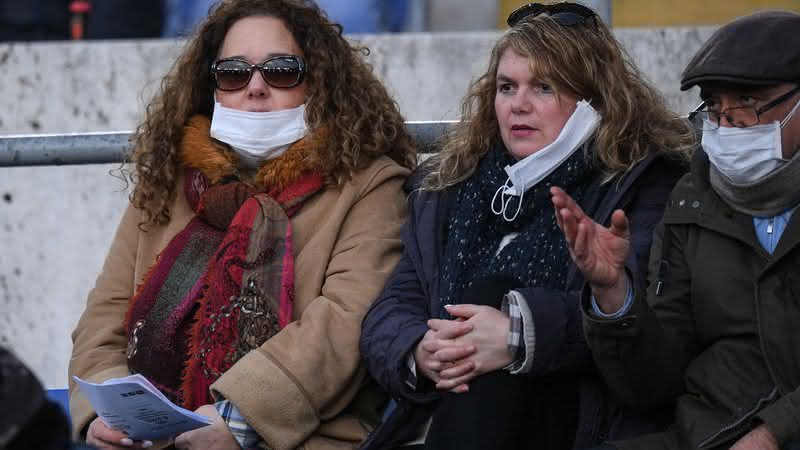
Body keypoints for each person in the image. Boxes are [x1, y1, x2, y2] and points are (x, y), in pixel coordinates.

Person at [68, 0, 415, 449]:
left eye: (281, 70)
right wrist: (108, 411)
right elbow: (105, 315)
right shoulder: (168, 182)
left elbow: (342, 328)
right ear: (211, 86)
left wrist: (238, 419)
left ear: (319, 83)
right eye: (233, 73)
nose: (255, 88)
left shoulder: (369, 185)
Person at [359, 2, 695, 449]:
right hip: (442, 412)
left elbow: (647, 336)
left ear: (593, 101)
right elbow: (394, 304)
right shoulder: (451, 186)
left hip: (570, 417)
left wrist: (519, 334)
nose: (518, 104)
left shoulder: (639, 187)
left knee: (493, 295)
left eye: (543, 87)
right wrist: (421, 350)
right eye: (506, 86)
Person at [552, 10, 800, 450]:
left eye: (747, 104)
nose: (729, 124)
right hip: (706, 433)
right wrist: (614, 296)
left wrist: (776, 432)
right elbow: (654, 383)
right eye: (716, 107)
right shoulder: (693, 197)